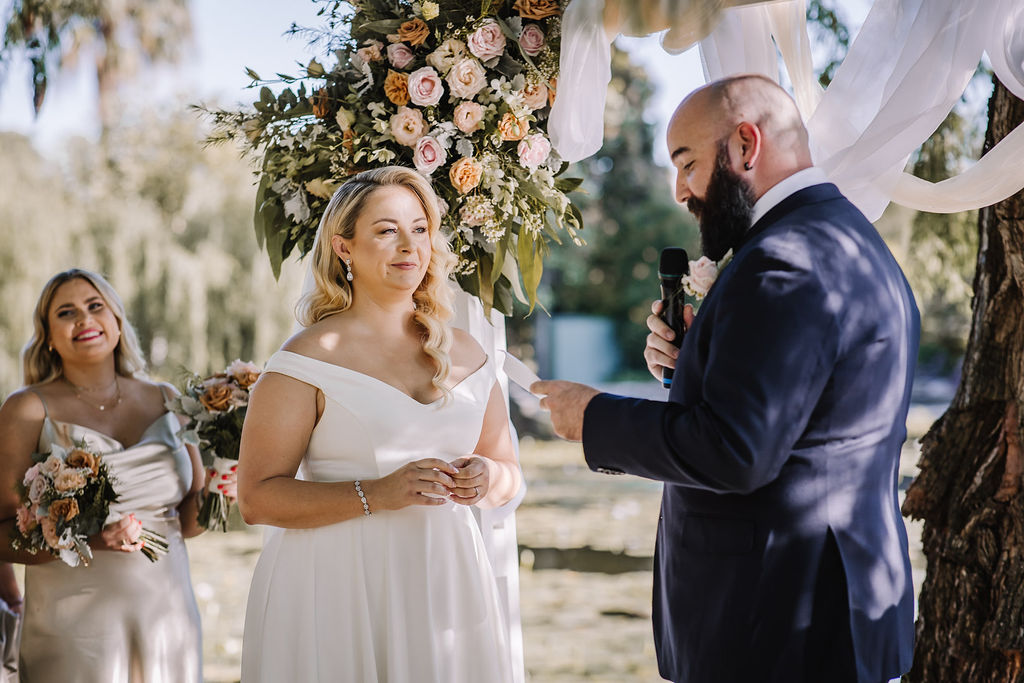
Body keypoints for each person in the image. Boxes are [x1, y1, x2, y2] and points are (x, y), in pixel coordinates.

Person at [533, 74, 919, 683]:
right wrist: (697, 365)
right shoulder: (847, 238)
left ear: (745, 145)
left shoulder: (783, 261)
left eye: (686, 165)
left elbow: (738, 452)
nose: (680, 190)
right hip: (834, 609)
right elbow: (807, 415)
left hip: (777, 627)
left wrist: (595, 418)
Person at [238, 166, 522, 682]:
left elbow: (507, 469)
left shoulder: (468, 352)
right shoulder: (307, 359)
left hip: (445, 578)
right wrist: (376, 493)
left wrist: (488, 476)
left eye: (419, 228)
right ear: (344, 248)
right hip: (340, 587)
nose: (408, 246)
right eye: (386, 230)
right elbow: (256, 498)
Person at [0, 268, 236, 682]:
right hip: (72, 627)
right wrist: (89, 540)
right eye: (67, 313)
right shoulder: (27, 409)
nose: (85, 320)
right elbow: (2, 533)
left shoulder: (167, 398)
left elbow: (187, 520)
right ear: (48, 336)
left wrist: (224, 483)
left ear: (117, 321)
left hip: (168, 615)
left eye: (96, 307)